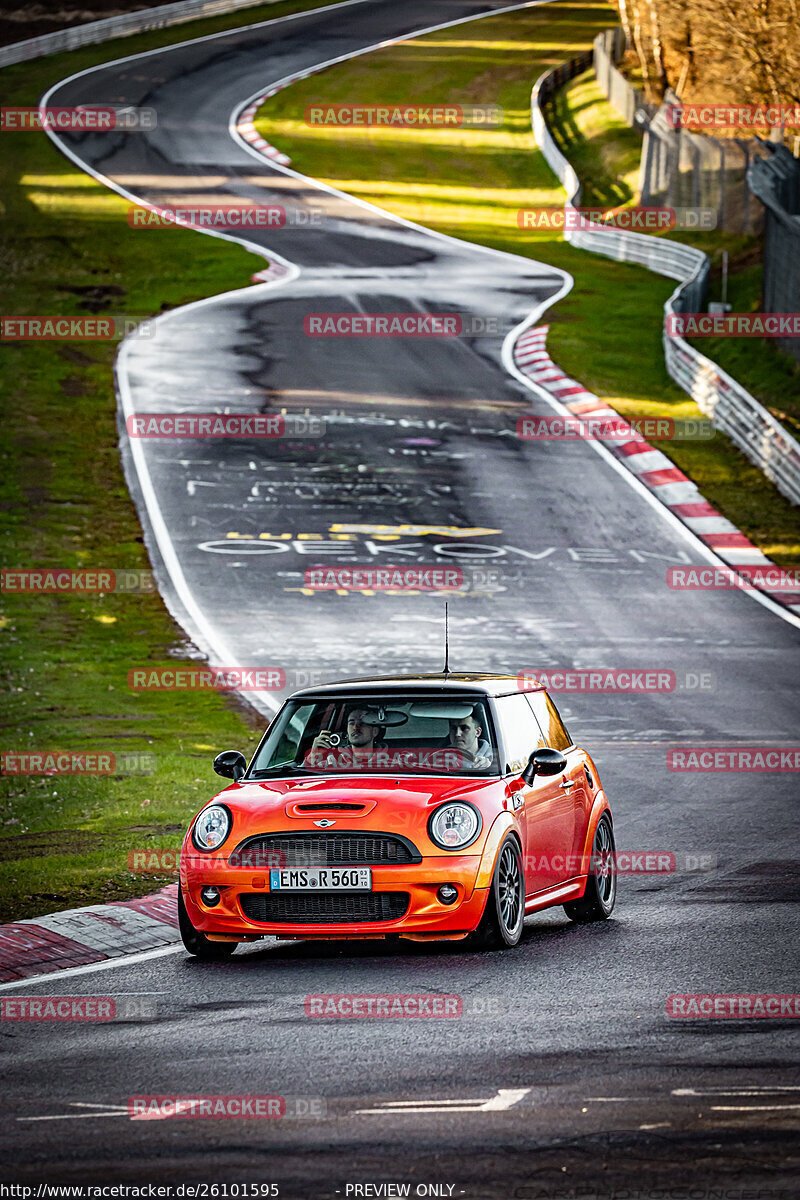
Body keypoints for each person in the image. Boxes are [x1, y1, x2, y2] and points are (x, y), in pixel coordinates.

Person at [309, 706, 385, 766]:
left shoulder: (391, 764)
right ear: (347, 730)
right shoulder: (332, 762)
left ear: (375, 731)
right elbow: (304, 778)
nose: (355, 727)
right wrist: (312, 757)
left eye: (362, 723)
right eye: (351, 723)